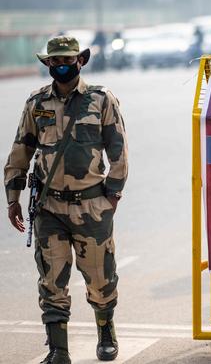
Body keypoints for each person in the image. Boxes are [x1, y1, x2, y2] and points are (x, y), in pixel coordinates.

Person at [4, 36, 128, 363]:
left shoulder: (101, 100)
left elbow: (119, 152)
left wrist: (111, 195)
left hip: (91, 207)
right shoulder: (36, 104)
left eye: (68, 60)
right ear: (47, 64)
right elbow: (20, 152)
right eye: (55, 61)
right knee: (51, 280)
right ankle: (58, 351)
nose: (61, 66)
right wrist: (12, 198)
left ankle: (106, 332)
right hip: (49, 208)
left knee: (101, 280)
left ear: (80, 61)